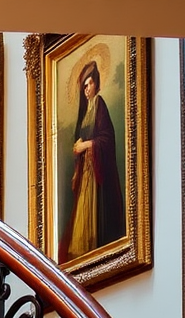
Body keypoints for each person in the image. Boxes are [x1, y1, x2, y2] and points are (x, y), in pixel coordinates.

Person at [58, 60, 125, 263]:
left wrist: (86, 146)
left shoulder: (99, 103)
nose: (87, 90)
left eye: (89, 85)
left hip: (96, 170)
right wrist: (76, 169)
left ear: (96, 83)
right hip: (85, 171)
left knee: (93, 211)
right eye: (84, 87)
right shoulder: (86, 111)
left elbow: (107, 137)